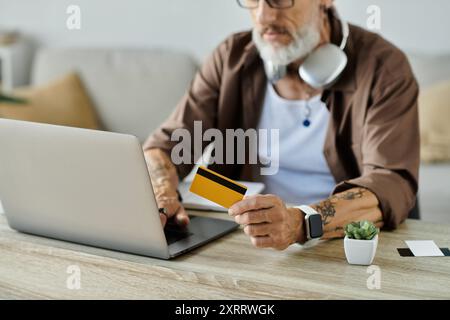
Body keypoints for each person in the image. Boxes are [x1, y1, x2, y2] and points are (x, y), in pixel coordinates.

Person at [142, 0, 419, 250]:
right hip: (244, 239)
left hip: (339, 242)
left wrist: (300, 222)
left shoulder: (384, 68)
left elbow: (390, 182)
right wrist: (162, 192)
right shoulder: (232, 57)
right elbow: (164, 146)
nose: (264, 15)